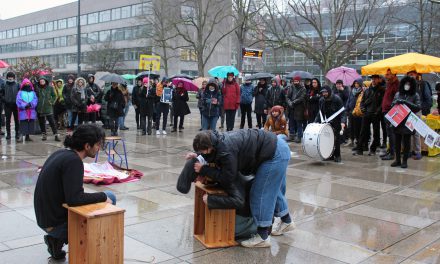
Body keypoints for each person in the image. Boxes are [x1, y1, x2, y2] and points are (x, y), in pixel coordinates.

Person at [190, 130, 294, 247]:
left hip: (275, 154)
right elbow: (213, 155)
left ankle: (263, 237)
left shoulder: (226, 150)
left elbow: (228, 177)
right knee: (271, 188)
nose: (203, 154)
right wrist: (198, 157)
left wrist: (203, 170)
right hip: (276, 147)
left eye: (202, 152)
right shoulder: (216, 140)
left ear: (210, 147)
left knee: (260, 193)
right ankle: (287, 221)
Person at [34, 124, 116, 260]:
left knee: (104, 197)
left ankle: (56, 242)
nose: (99, 148)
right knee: (110, 196)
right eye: (97, 144)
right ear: (87, 146)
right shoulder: (73, 161)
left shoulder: (61, 153)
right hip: (54, 223)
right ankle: (96, 250)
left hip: (45, 217)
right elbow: (74, 199)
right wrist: (102, 196)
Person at [390, 77, 421, 169]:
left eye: (409, 84)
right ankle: (398, 160)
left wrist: (405, 102)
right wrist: (395, 102)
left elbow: (418, 107)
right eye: (405, 84)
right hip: (398, 120)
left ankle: (405, 161)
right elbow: (392, 105)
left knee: (407, 142)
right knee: (397, 142)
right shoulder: (398, 94)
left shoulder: (415, 95)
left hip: (408, 121)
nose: (407, 86)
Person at [354, 75, 385, 156]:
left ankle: (373, 149)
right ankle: (359, 149)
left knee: (376, 133)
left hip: (376, 114)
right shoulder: (367, 90)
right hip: (367, 114)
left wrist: (377, 111)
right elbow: (362, 101)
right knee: (363, 132)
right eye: (372, 79)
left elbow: (382, 103)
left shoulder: (382, 90)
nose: (373, 80)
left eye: (375, 78)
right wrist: (363, 109)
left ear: (379, 79)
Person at [315, 85, 346, 163]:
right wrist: (316, 121)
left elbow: (343, 112)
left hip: (336, 122)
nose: (324, 94)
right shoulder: (321, 100)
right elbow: (320, 112)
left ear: (329, 92)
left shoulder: (337, 99)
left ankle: (337, 155)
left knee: (336, 139)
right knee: (328, 139)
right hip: (326, 122)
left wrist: (343, 122)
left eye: (325, 92)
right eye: (322, 92)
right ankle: (330, 155)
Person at [407, 71, 431, 160]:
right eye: (409, 74)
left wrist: (421, 108)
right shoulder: (407, 85)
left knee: (416, 132)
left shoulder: (423, 84)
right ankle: (409, 150)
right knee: (408, 131)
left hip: (417, 111)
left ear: (417, 74)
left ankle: (417, 151)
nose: (410, 76)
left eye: (412, 74)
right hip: (408, 110)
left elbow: (428, 99)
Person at [380, 70, 399, 161]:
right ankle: (390, 150)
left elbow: (396, 99)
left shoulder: (396, 85)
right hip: (386, 111)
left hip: (391, 112)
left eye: (388, 75)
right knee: (389, 133)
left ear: (393, 75)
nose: (385, 76)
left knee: (391, 133)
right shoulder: (389, 84)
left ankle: (392, 153)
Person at [36, 76, 60, 142]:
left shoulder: (50, 88)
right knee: (41, 123)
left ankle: (56, 135)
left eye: (43, 81)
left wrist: (51, 102)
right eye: (40, 81)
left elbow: (55, 96)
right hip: (40, 108)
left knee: (52, 122)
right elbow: (36, 97)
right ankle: (44, 135)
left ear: (45, 81)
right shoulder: (38, 89)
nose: (42, 82)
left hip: (48, 107)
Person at [0, 71, 21, 140]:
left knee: (17, 120)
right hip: (7, 105)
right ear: (7, 77)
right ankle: (8, 134)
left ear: (14, 77)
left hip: (16, 105)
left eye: (11, 77)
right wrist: (5, 100)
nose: (10, 78)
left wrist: (18, 101)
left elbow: (20, 94)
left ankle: (17, 133)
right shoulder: (4, 85)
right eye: (9, 77)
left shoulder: (17, 85)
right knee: (8, 120)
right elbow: (1, 94)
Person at [286, 76, 306, 143]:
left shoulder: (303, 88)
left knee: (299, 123)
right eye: (295, 81)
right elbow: (287, 97)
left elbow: (302, 97)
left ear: (299, 81)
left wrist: (293, 102)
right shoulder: (290, 87)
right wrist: (290, 103)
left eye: (297, 81)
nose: (295, 82)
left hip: (299, 108)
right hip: (291, 107)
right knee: (291, 122)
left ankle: (299, 136)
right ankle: (292, 135)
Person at [346, 79, 363, 148]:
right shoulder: (352, 91)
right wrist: (347, 108)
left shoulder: (362, 91)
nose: (356, 84)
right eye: (355, 83)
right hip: (351, 111)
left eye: (357, 83)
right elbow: (349, 100)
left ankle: (357, 140)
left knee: (357, 127)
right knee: (350, 126)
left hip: (357, 112)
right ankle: (351, 140)